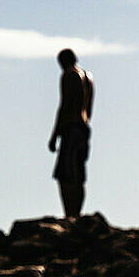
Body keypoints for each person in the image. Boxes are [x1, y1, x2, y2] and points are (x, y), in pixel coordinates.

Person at [48, 48, 94, 218]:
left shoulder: (69, 74)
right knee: (78, 174)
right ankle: (76, 213)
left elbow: (64, 105)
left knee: (65, 174)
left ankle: (70, 215)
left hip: (70, 127)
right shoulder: (88, 78)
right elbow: (89, 109)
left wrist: (54, 136)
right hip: (84, 127)